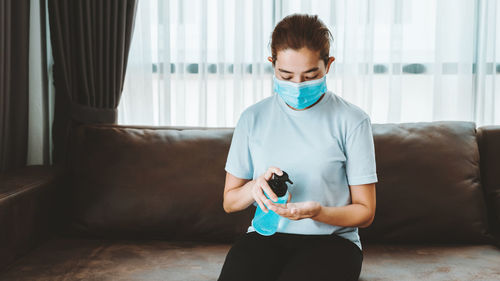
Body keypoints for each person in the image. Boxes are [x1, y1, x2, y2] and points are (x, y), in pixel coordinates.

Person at [218, 13, 378, 281]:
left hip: (333, 242)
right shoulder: (252, 118)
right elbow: (229, 202)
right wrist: (253, 187)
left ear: (328, 66)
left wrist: (319, 213)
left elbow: (365, 211)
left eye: (310, 75)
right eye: (286, 75)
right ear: (272, 65)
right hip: (265, 237)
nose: (297, 85)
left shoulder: (353, 121)